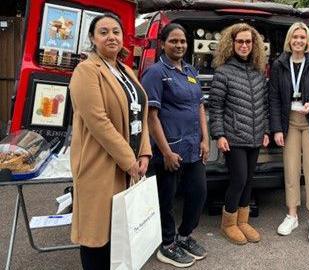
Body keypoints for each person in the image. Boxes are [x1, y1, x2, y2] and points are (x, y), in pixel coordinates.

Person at [69, 13, 151, 270]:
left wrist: (145, 152)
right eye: (103, 32)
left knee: (121, 233)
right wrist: (129, 160)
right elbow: (98, 122)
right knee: (97, 236)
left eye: (115, 31)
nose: (111, 37)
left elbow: (140, 112)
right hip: (100, 165)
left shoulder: (125, 70)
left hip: (130, 165)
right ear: (92, 39)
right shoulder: (86, 71)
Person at [141, 23, 209, 268]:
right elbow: (151, 116)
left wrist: (205, 138)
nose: (179, 45)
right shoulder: (156, 73)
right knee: (166, 199)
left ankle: (185, 235)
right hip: (168, 150)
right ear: (163, 43)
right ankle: (167, 243)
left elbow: (200, 106)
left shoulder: (190, 70)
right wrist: (166, 152)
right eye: (174, 41)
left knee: (198, 193)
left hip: (193, 147)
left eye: (182, 41)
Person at [269, 22, 309, 242]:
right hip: (290, 124)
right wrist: (277, 128)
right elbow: (274, 99)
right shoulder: (279, 65)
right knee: (291, 171)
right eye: (295, 37)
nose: (298, 41)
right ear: (289, 39)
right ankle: (292, 216)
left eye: (302, 37)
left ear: (307, 41)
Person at [209, 23, 270, 245]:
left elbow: (263, 105)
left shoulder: (257, 72)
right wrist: (219, 135)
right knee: (239, 179)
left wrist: (265, 130)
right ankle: (228, 224)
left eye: (248, 41)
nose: (244, 45)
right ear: (231, 44)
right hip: (233, 136)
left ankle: (243, 221)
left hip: (254, 136)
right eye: (240, 41)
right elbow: (216, 107)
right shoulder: (223, 72)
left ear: (254, 45)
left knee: (249, 180)